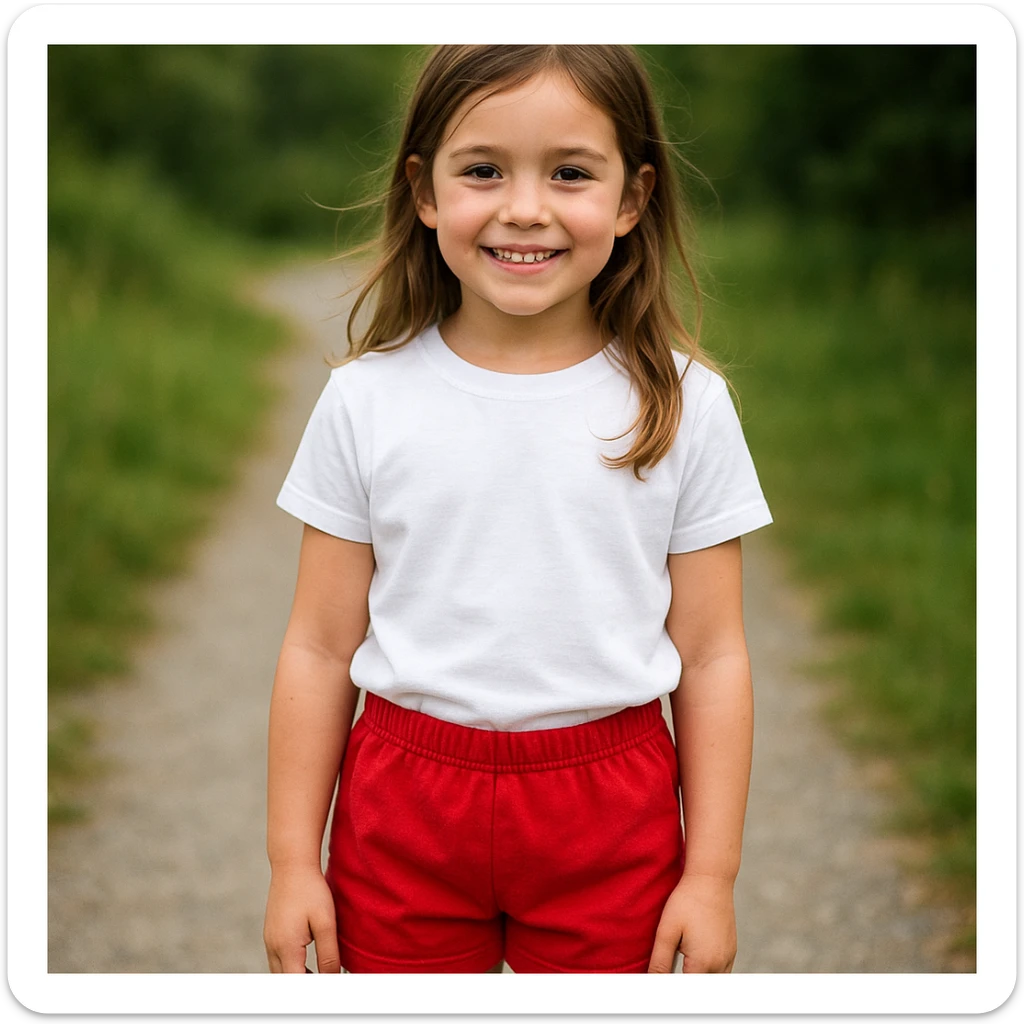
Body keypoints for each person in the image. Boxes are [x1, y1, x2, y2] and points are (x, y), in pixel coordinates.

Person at [263, 44, 772, 976]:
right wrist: (294, 863)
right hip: (404, 804)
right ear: (425, 190)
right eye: (483, 169)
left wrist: (713, 877)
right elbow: (319, 646)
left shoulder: (687, 403)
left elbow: (713, 655)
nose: (524, 207)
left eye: (570, 172)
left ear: (631, 198)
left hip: (610, 809)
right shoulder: (366, 399)